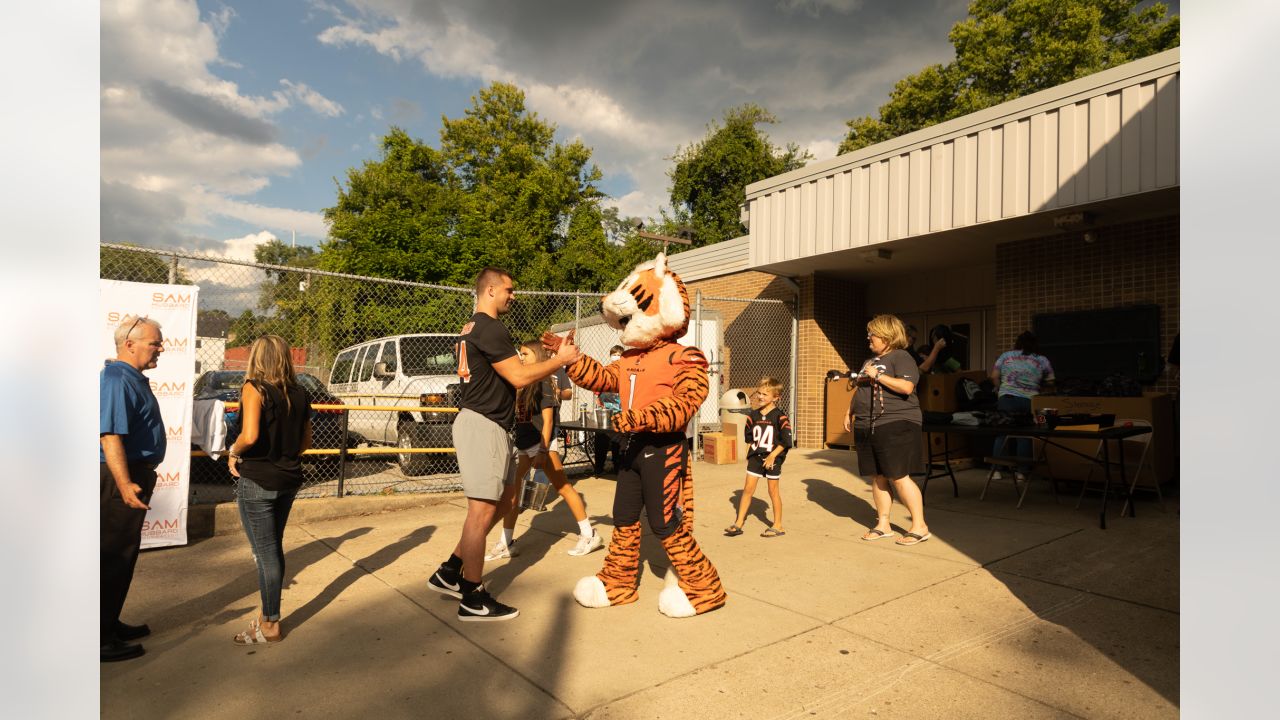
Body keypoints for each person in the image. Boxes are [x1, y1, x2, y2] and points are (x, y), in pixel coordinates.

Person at [426, 267, 580, 622]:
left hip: (492, 425)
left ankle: (450, 571)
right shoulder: (490, 327)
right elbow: (518, 375)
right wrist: (560, 361)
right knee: (480, 513)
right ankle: (473, 596)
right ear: (491, 290)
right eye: (509, 290)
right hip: (482, 425)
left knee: (507, 500)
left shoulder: (473, 327)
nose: (513, 295)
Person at [225, 335, 313, 645]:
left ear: (257, 358)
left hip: (258, 480)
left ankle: (271, 623)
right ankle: (267, 617)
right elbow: (306, 443)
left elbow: (249, 435)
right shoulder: (301, 393)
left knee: (265, 555)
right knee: (272, 549)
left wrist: (233, 452)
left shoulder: (254, 388)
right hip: (288, 480)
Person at [486, 341, 603, 561]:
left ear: (538, 356)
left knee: (564, 488)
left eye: (525, 354)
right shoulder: (524, 381)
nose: (521, 358)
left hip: (542, 444)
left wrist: (542, 450)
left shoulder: (543, 382)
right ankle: (506, 542)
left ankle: (589, 534)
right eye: (520, 354)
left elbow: (548, 422)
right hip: (524, 444)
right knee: (512, 493)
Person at [100, 315, 167, 662]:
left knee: (121, 556)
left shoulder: (132, 378)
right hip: (118, 478)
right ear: (130, 344)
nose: (161, 348)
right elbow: (110, 434)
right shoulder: (115, 377)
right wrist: (125, 484)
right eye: (155, 343)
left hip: (132, 475)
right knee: (112, 557)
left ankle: (108, 623)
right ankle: (98, 637)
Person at [843, 314, 931, 546]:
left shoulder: (902, 357)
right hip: (867, 423)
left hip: (896, 422)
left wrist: (879, 376)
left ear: (887, 336)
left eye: (872, 333)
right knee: (878, 476)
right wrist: (849, 411)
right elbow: (862, 388)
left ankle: (920, 526)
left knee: (899, 476)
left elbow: (906, 387)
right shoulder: (869, 361)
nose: (868, 337)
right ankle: (883, 524)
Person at [724, 377, 793, 538]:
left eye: (765, 394)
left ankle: (778, 525)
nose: (761, 397)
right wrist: (750, 456)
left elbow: (786, 441)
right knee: (748, 489)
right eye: (759, 393)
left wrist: (772, 456)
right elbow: (749, 439)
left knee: (773, 490)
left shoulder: (780, 417)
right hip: (756, 457)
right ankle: (738, 523)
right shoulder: (752, 416)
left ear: (776, 397)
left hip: (773, 458)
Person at [989, 331, 1055, 481]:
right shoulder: (1042, 360)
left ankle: (996, 471)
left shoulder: (1006, 356)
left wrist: (1000, 390)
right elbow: (1051, 381)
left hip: (1007, 398)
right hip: (1030, 401)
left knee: (1002, 434)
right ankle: (1021, 472)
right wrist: (1038, 385)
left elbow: (994, 376)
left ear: (1017, 343)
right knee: (1024, 435)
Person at [592, 345, 624, 474]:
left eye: (618, 354)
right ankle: (599, 467)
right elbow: (597, 391)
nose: (616, 357)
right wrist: (598, 402)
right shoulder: (606, 371)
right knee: (601, 439)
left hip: (620, 413)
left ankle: (617, 466)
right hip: (605, 413)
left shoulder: (626, 371)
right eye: (614, 354)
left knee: (618, 441)